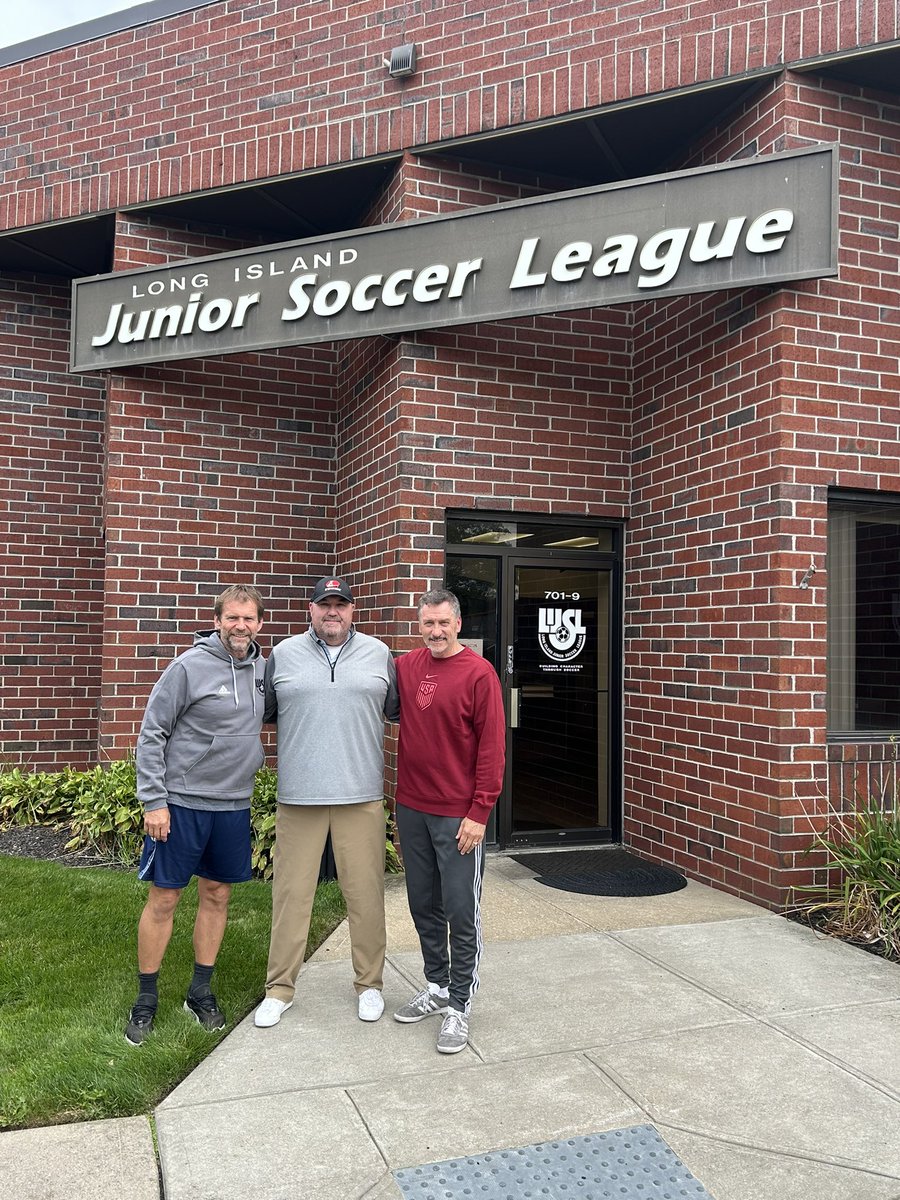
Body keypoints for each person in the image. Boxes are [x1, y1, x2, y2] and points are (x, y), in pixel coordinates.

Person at [254, 576, 399, 1028]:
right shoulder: (282, 656)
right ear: (310, 610)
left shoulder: (380, 655)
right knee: (291, 895)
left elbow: (398, 711)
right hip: (299, 797)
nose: (332, 612)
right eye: (324, 605)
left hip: (361, 797)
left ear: (352, 610)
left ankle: (370, 985)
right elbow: (264, 711)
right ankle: (279, 989)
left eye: (340, 604)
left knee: (366, 896)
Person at [125, 584, 266, 1046]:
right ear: (218, 620)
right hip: (181, 803)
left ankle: (199, 991)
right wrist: (154, 800)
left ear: (259, 624)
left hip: (233, 804)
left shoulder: (265, 671)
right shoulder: (187, 667)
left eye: (248, 618)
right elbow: (151, 733)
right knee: (165, 899)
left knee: (218, 895)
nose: (240, 626)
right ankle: (146, 999)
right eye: (232, 617)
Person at [393, 588, 506, 1054]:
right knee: (423, 904)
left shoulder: (480, 675)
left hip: (458, 816)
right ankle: (437, 985)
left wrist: (479, 812)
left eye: (443, 623)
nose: (435, 632)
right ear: (418, 626)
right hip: (412, 808)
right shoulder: (405, 667)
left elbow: (492, 749)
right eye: (427, 624)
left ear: (458, 624)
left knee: (461, 910)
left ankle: (460, 1002)